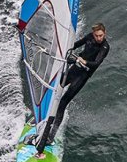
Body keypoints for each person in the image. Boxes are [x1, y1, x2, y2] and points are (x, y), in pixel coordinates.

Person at [33, 22, 109, 154]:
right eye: (96, 35)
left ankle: (51, 136)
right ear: (93, 34)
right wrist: (66, 48)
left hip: (83, 75)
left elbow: (96, 63)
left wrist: (84, 61)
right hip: (75, 68)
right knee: (54, 89)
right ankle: (45, 117)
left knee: (62, 102)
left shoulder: (105, 47)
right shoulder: (89, 37)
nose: (98, 38)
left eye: (101, 35)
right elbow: (76, 45)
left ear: (104, 34)